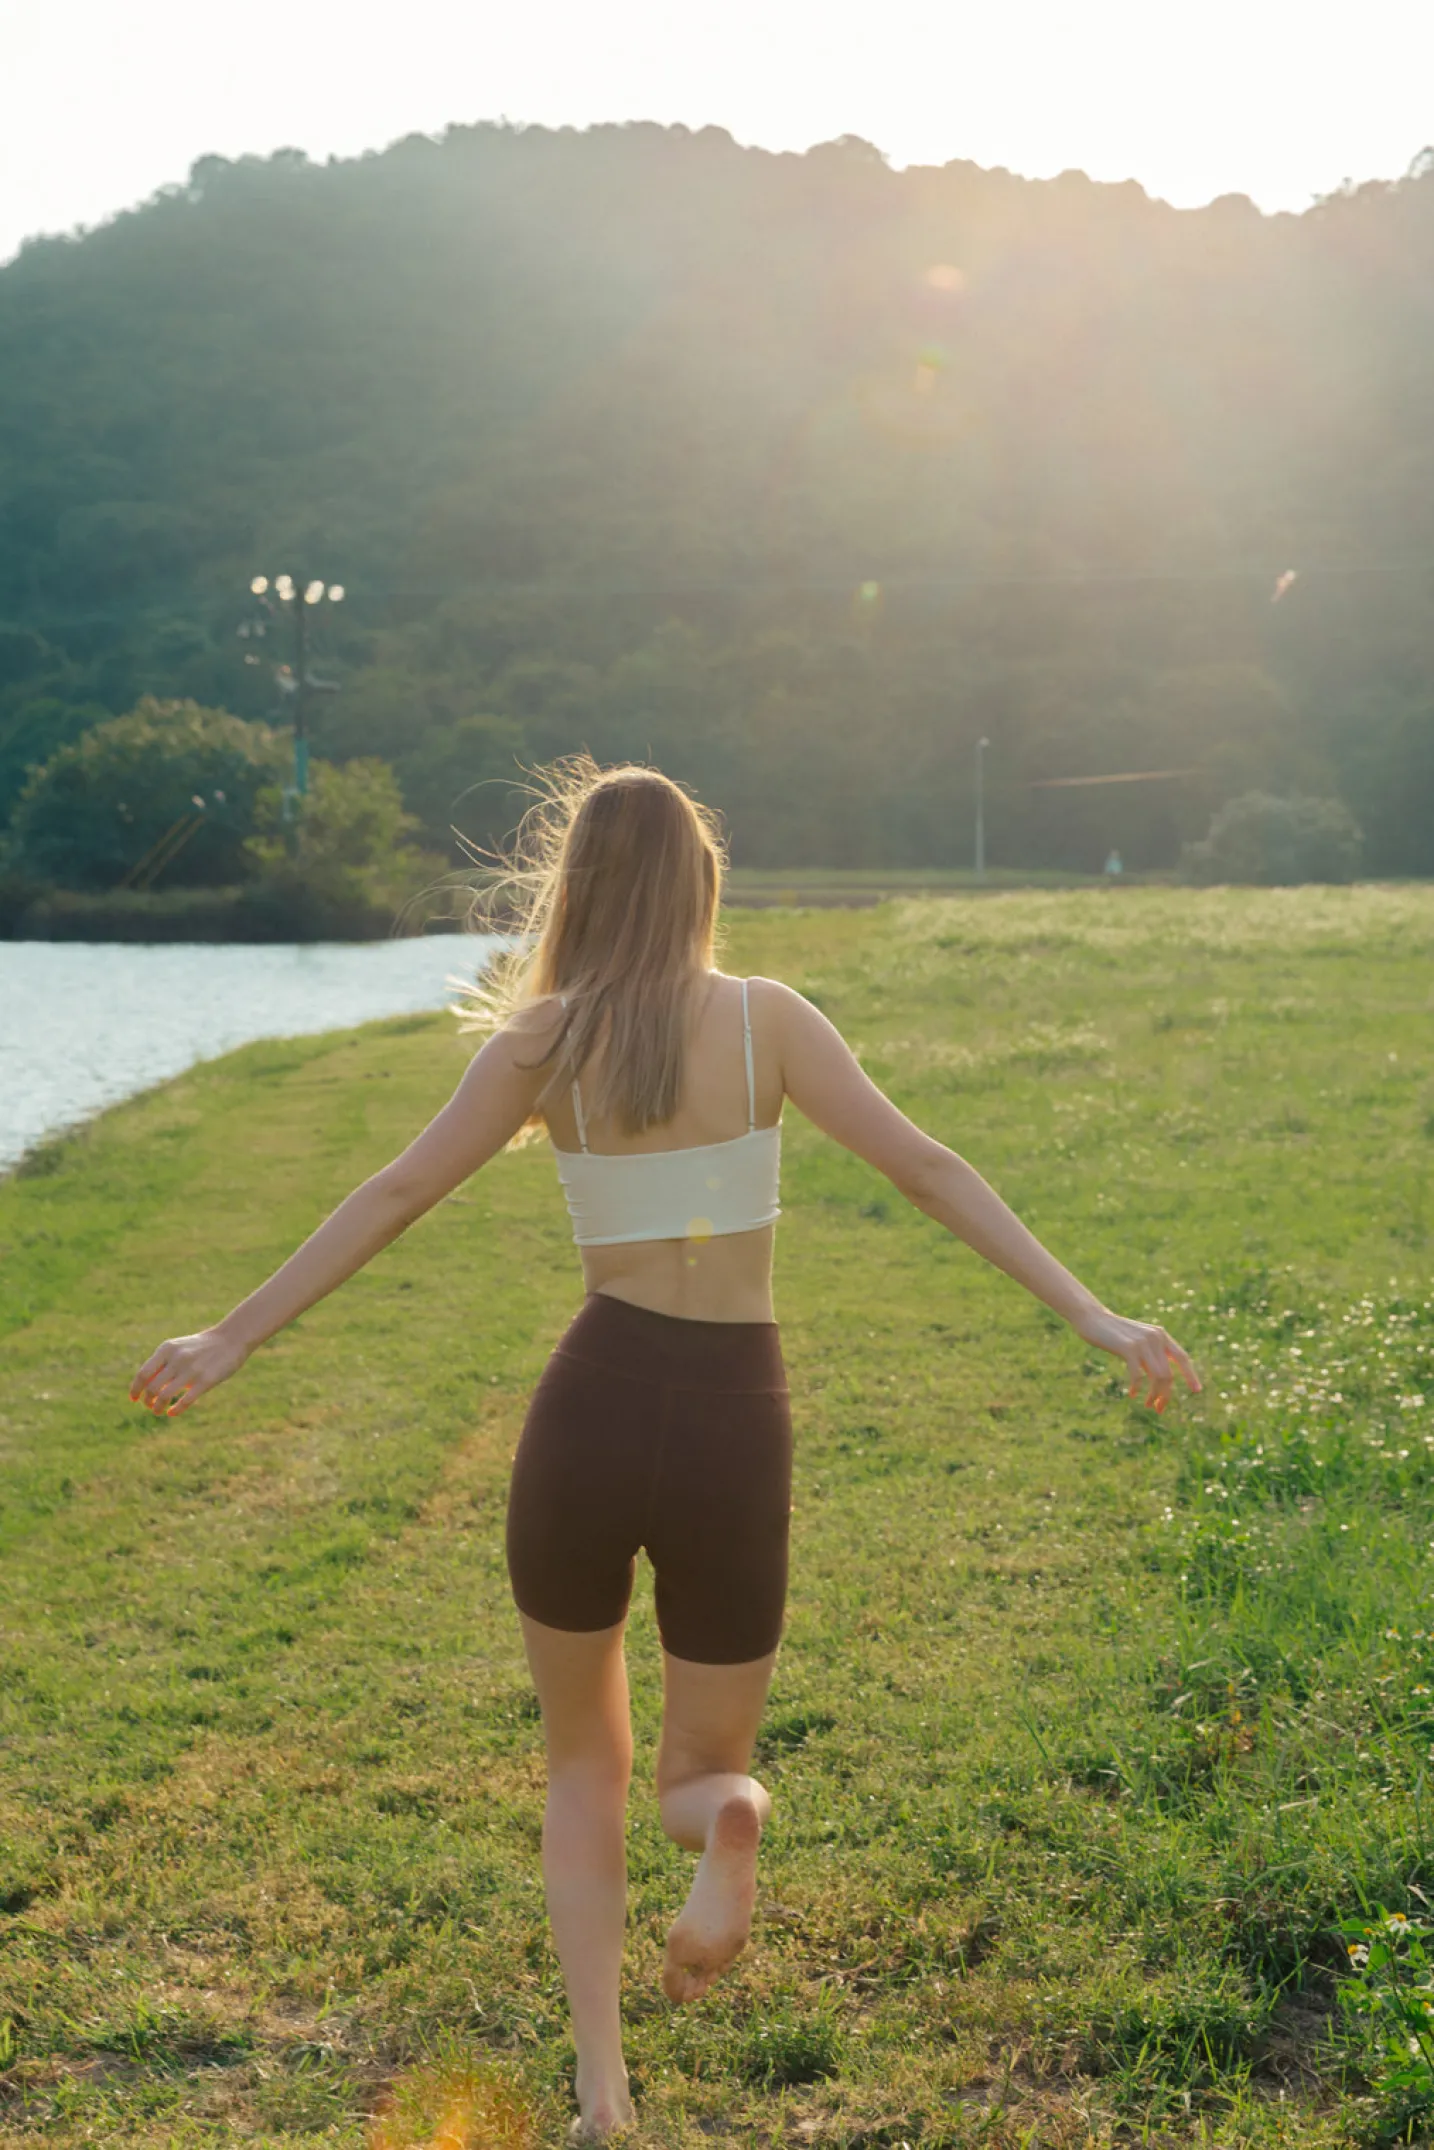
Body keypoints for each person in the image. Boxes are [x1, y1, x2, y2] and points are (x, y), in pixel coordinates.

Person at [130, 760, 1199, 2144]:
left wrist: (231, 1335)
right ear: (703, 881)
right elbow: (926, 1166)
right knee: (698, 1771)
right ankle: (732, 1823)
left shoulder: (540, 1044)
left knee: (582, 1765)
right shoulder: (767, 1024)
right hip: (730, 1419)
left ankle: (601, 2091)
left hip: (590, 1406)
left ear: (569, 889)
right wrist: (1093, 1313)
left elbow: (394, 1193)